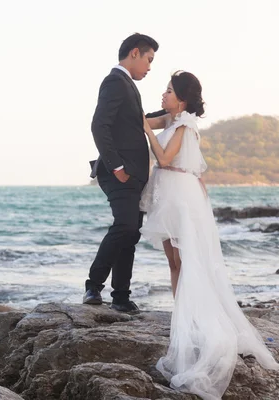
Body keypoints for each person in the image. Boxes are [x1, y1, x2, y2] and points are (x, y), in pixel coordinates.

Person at [141, 71, 279, 399]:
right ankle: (182, 321)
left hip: (180, 196)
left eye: (169, 91)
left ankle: (192, 324)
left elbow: (163, 157)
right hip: (168, 195)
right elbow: (154, 120)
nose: (163, 94)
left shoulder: (186, 123)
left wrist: (146, 128)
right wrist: (147, 119)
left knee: (187, 263)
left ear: (183, 99)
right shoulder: (173, 119)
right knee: (174, 263)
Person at [84, 33, 159, 314]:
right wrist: (117, 167)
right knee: (126, 227)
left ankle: (121, 296)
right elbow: (98, 125)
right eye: (149, 60)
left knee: (131, 233)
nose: (150, 67)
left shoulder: (127, 85)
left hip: (135, 174)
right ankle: (93, 285)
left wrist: (175, 111)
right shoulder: (115, 81)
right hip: (119, 172)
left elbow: (136, 121)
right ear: (135, 53)